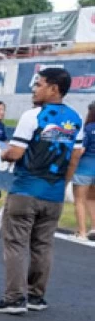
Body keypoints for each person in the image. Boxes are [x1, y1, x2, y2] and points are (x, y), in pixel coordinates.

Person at [0, 68, 83, 314]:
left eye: (39, 84)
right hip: (54, 192)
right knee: (43, 245)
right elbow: (75, 157)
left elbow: (16, 153)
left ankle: (14, 298)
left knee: (16, 244)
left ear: (54, 88)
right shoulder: (75, 119)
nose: (34, 88)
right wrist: (63, 184)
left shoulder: (33, 115)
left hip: (26, 189)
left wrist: (5, 153)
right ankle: (36, 296)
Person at [72, 102, 95, 241]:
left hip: (84, 169)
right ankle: (94, 228)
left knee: (79, 200)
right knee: (92, 200)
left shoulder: (87, 129)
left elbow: (81, 150)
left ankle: (81, 232)